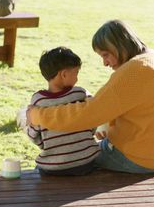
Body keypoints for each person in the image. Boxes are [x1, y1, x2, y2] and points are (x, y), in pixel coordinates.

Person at [27, 20, 154, 174]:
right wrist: (107, 127)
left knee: (68, 162)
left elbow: (87, 114)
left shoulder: (135, 71)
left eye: (106, 55)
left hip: (143, 159)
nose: (105, 63)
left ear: (118, 46)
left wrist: (37, 115)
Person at [24, 47, 100, 176]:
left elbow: (34, 136)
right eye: (76, 73)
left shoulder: (38, 101)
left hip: (54, 168)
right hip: (87, 162)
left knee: (37, 170)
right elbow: (93, 122)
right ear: (64, 74)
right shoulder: (80, 94)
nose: (77, 79)